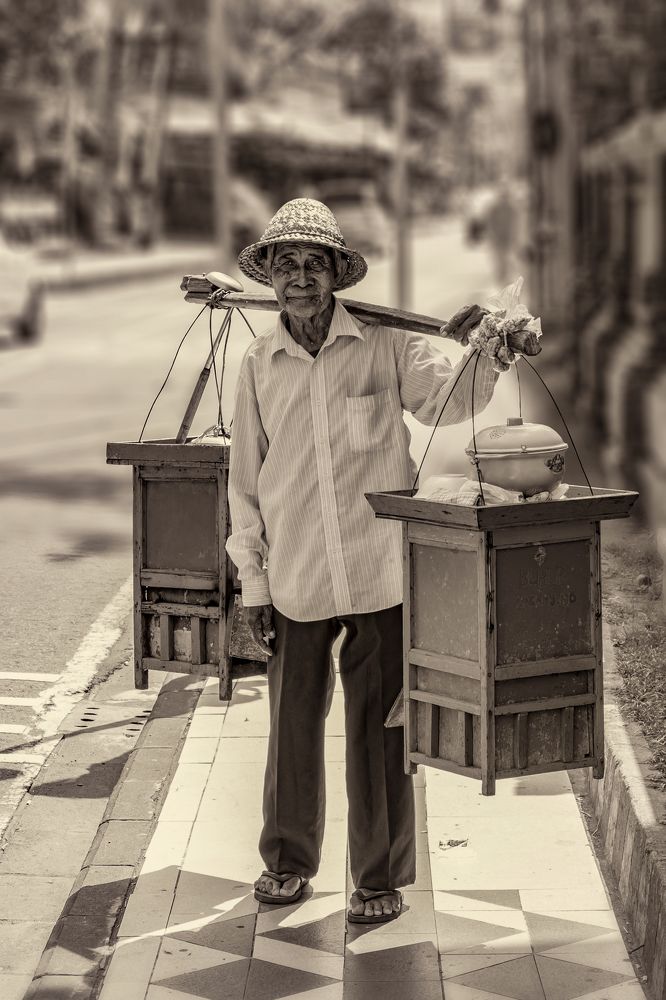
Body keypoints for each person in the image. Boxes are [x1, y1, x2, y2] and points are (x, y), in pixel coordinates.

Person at [226, 198, 500, 924]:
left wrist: (488, 351)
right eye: (288, 266)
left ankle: (377, 878)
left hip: (380, 565)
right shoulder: (259, 363)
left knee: (382, 734)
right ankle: (287, 861)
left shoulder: (385, 345)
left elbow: (446, 405)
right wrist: (252, 580)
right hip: (296, 576)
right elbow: (246, 484)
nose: (302, 280)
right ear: (271, 279)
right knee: (291, 729)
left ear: (338, 275)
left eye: (316, 265)